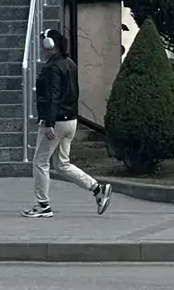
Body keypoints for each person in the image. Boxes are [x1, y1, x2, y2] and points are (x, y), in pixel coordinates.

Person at [26, 30, 112, 219]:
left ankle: (42, 205)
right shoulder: (70, 63)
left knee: (40, 162)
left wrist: (49, 123)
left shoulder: (52, 68)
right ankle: (97, 189)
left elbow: (53, 96)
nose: (41, 48)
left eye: (43, 43)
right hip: (70, 120)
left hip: (56, 122)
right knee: (62, 164)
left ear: (49, 44)